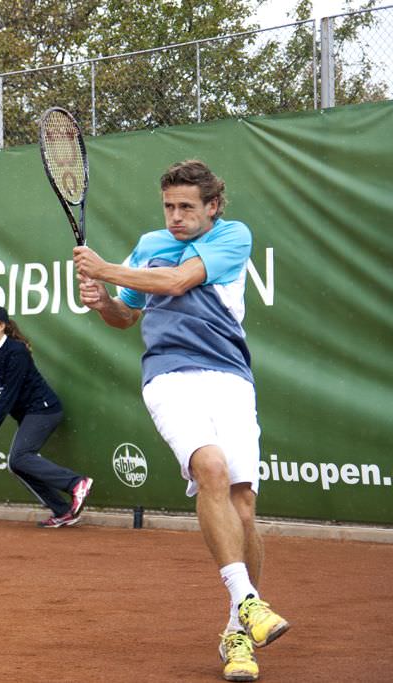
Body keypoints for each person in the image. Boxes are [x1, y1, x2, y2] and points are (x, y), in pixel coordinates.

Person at [73, 160, 288, 681]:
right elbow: (126, 317)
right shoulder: (148, 244)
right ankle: (249, 602)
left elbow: (175, 282)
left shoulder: (234, 236)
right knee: (210, 467)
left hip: (231, 379)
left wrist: (104, 271)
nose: (175, 217)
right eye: (169, 206)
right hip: (169, 376)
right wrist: (104, 301)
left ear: (212, 206)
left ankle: (238, 636)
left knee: (244, 507)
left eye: (187, 207)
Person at [0, 303, 93, 528]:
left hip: (44, 410)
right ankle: (63, 511)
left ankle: (76, 483)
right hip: (27, 414)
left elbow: (8, 397)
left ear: (1, 325)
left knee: (19, 458)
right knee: (16, 464)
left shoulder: (17, 351)